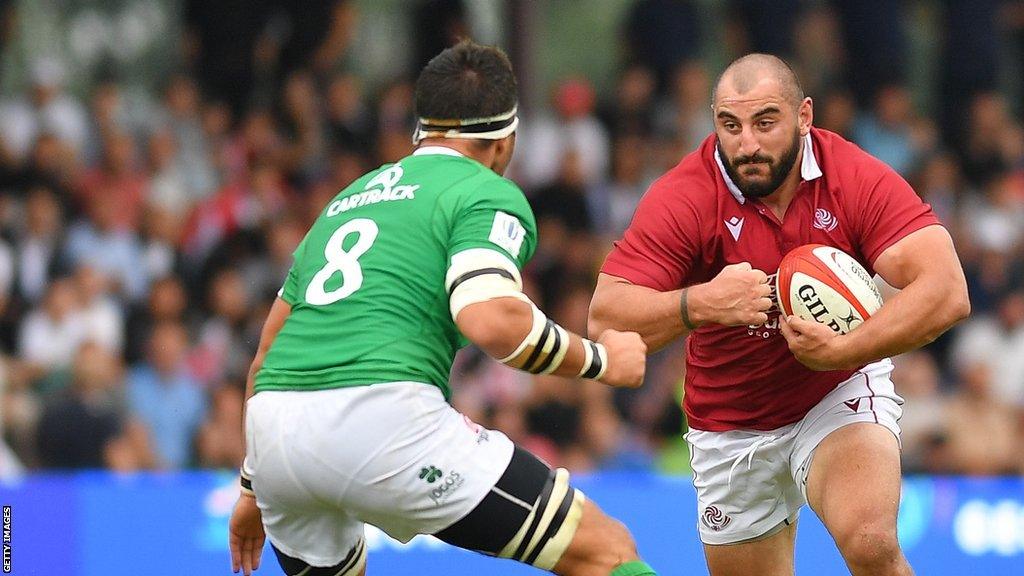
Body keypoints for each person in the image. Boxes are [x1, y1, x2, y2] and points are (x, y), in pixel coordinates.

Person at [228, 40, 660, 576]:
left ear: (421, 130)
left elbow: (267, 351)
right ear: (506, 142)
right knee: (605, 550)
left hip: (274, 434)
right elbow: (488, 319)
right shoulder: (483, 191)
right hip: (382, 417)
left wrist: (253, 484)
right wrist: (601, 361)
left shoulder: (346, 199)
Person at [589, 53, 970, 576]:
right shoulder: (685, 194)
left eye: (766, 122)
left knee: (871, 542)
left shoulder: (851, 175)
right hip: (730, 421)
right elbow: (605, 319)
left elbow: (948, 289)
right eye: (730, 125)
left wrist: (844, 351)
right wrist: (700, 303)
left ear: (804, 116)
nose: (747, 144)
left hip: (835, 393)